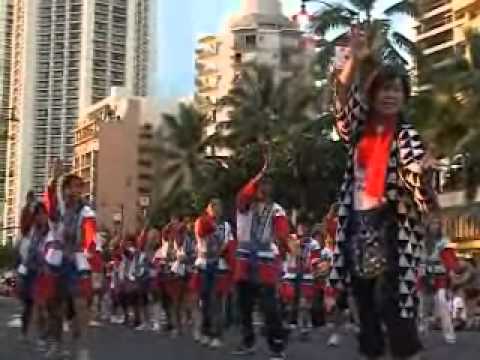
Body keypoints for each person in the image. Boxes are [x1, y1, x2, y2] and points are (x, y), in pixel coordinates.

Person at [326, 28, 438, 360]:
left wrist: (424, 169)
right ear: (373, 95)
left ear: (404, 96)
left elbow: (413, 164)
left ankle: (408, 353)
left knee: (392, 297)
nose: (390, 96)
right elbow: (342, 99)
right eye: (384, 90)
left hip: (393, 222)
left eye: (396, 90)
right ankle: (373, 352)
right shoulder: (359, 129)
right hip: (358, 223)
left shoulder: (406, 135)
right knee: (363, 297)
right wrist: (355, 60)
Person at [232, 153, 290, 360]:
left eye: (267, 184)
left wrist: (285, 249)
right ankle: (248, 341)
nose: (264, 188)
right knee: (244, 307)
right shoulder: (244, 205)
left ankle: (276, 346)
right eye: (261, 184)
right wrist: (260, 173)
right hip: (245, 260)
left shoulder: (276, 210)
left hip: (265, 260)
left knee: (269, 307)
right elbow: (243, 196)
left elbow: (283, 233)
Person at [44, 169, 97, 360]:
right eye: (73, 187)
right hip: (57, 260)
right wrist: (53, 180)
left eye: (79, 187)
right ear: (65, 189)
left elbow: (90, 228)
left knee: (81, 304)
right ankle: (56, 344)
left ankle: (82, 348)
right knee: (54, 306)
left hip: (77, 260)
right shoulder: (58, 209)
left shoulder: (86, 209)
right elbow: (49, 205)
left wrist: (89, 246)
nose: (76, 191)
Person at [192, 198, 235, 348]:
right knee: (203, 300)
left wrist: (223, 250)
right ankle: (204, 330)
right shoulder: (201, 222)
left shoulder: (226, 226)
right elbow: (203, 238)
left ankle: (217, 334)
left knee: (218, 301)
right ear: (208, 208)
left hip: (220, 266)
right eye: (213, 207)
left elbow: (229, 243)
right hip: (203, 264)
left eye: (219, 207)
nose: (216, 210)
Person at [15, 202, 50, 346]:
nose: (41, 217)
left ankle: (42, 335)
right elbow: (23, 251)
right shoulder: (30, 231)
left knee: (42, 306)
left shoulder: (50, 232)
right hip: (28, 272)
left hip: (42, 273)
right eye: (38, 214)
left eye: (43, 214)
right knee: (28, 306)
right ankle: (24, 332)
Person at [423, 216, 461, 344]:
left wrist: (452, 271)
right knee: (422, 307)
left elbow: (450, 257)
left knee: (442, 302)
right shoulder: (421, 241)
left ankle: (449, 333)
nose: (435, 226)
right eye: (432, 223)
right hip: (424, 276)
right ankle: (421, 333)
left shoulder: (444, 241)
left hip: (440, 277)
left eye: (437, 223)